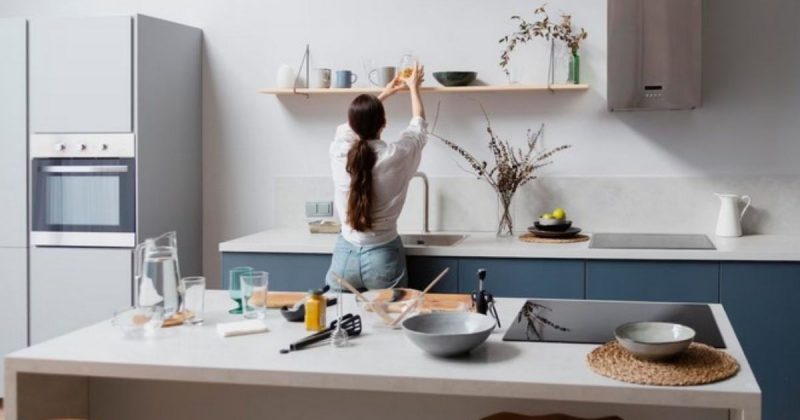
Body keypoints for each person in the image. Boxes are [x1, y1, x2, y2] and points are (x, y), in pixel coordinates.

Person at [326, 62, 426, 290]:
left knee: (340, 321)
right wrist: (413, 88)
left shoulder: (339, 152)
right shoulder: (396, 156)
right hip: (383, 258)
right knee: (389, 322)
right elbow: (418, 128)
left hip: (344, 259)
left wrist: (384, 94)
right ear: (384, 124)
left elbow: (352, 126)